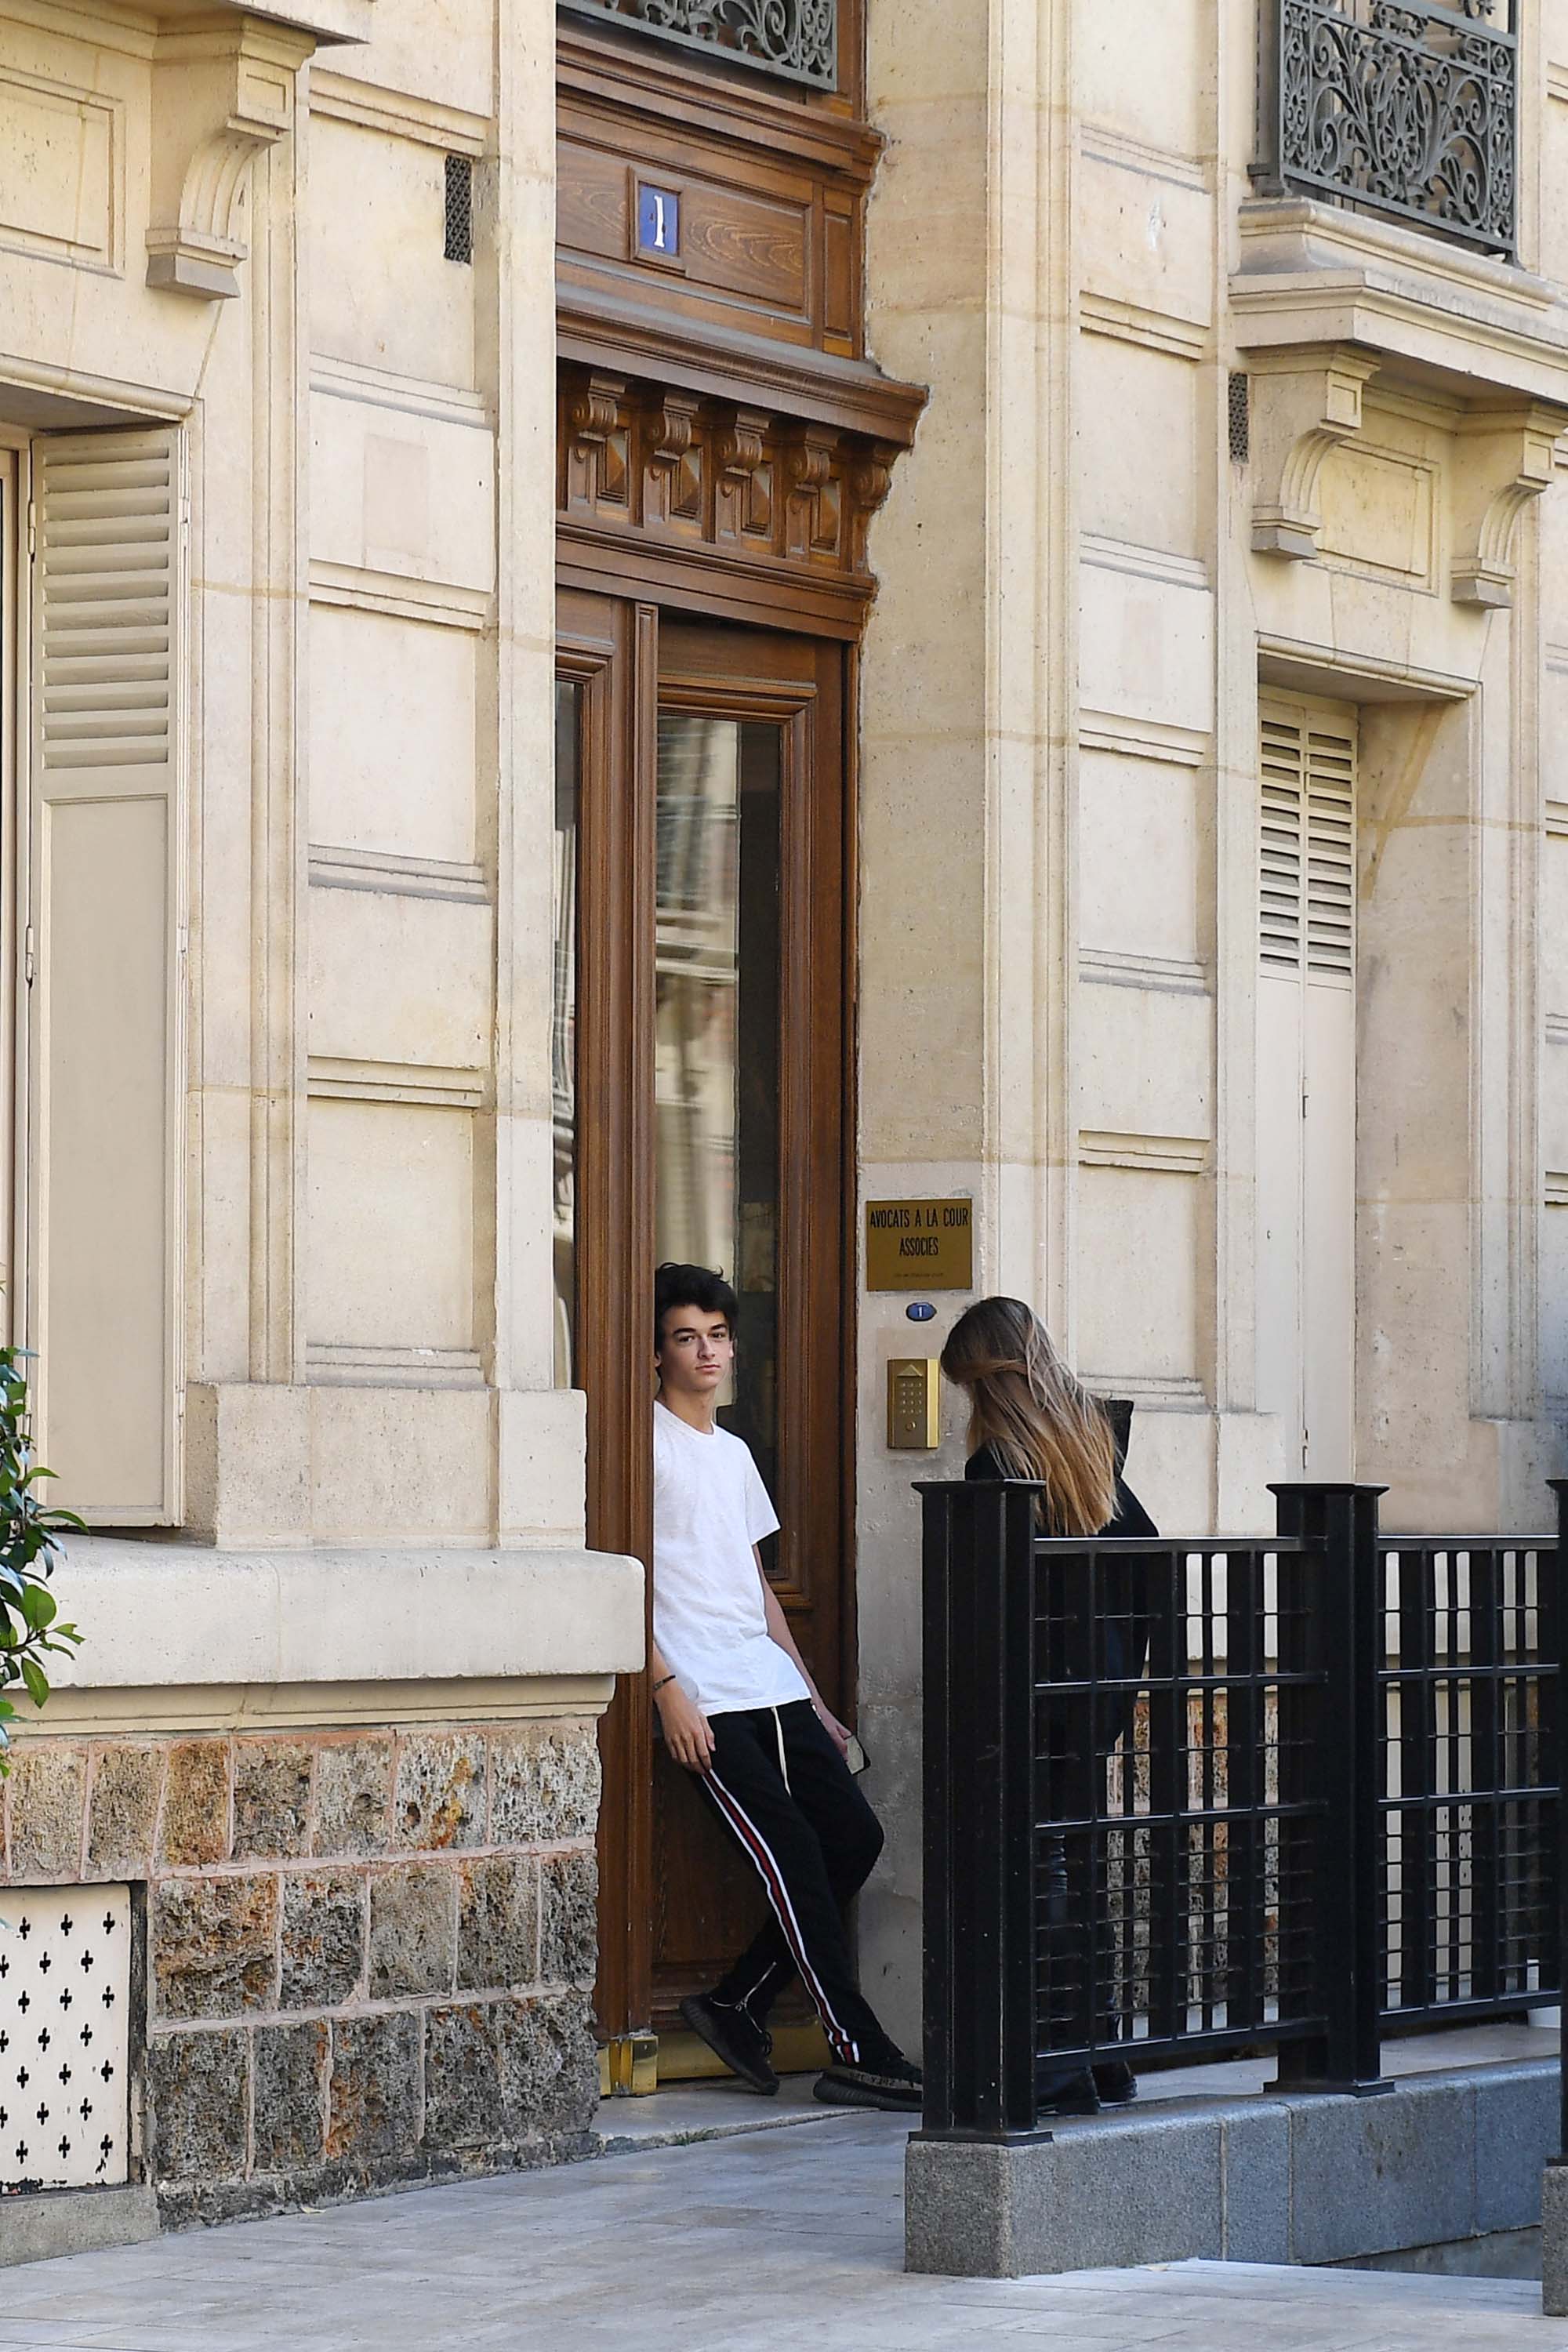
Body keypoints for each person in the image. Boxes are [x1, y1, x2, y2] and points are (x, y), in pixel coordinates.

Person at [650, 1261, 922, 2112]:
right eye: (686, 1337)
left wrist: (813, 1697)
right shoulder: (638, 1444)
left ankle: (734, 2003)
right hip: (706, 1700)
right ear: (658, 1353)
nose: (706, 1352)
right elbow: (623, 1574)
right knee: (794, 1855)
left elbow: (756, 1583)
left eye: (717, 1336)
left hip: (766, 1686)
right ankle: (856, 2048)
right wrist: (665, 1689)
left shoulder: (731, 1454)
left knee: (851, 1838)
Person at [939, 1294, 1158, 2118]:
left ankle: (1059, 2067)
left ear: (982, 1380)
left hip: (1031, 1696)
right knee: (1080, 1864)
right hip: (1095, 1687)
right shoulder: (1093, 1435)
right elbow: (1143, 1550)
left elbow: (994, 1596)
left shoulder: (996, 1466)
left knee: (1039, 1876)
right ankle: (1101, 2057)